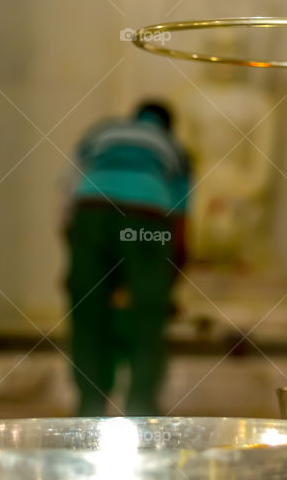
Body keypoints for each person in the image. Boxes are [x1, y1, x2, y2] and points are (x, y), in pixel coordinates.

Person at [64, 101, 189, 415]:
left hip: (90, 211)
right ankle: (142, 408)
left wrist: (75, 251)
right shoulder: (174, 147)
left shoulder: (101, 132)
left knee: (88, 311)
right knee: (148, 314)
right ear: (166, 125)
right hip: (145, 216)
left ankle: (88, 408)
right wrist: (170, 275)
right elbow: (181, 216)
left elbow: (68, 188)